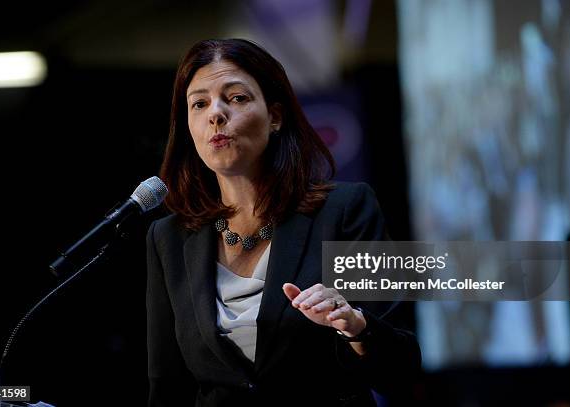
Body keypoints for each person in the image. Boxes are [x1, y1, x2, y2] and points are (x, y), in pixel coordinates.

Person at [146, 38, 421, 407]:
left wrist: (354, 325)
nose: (216, 114)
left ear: (275, 116)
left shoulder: (344, 210)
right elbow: (168, 386)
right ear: (189, 127)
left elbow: (402, 368)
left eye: (237, 98)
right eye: (199, 103)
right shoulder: (169, 237)